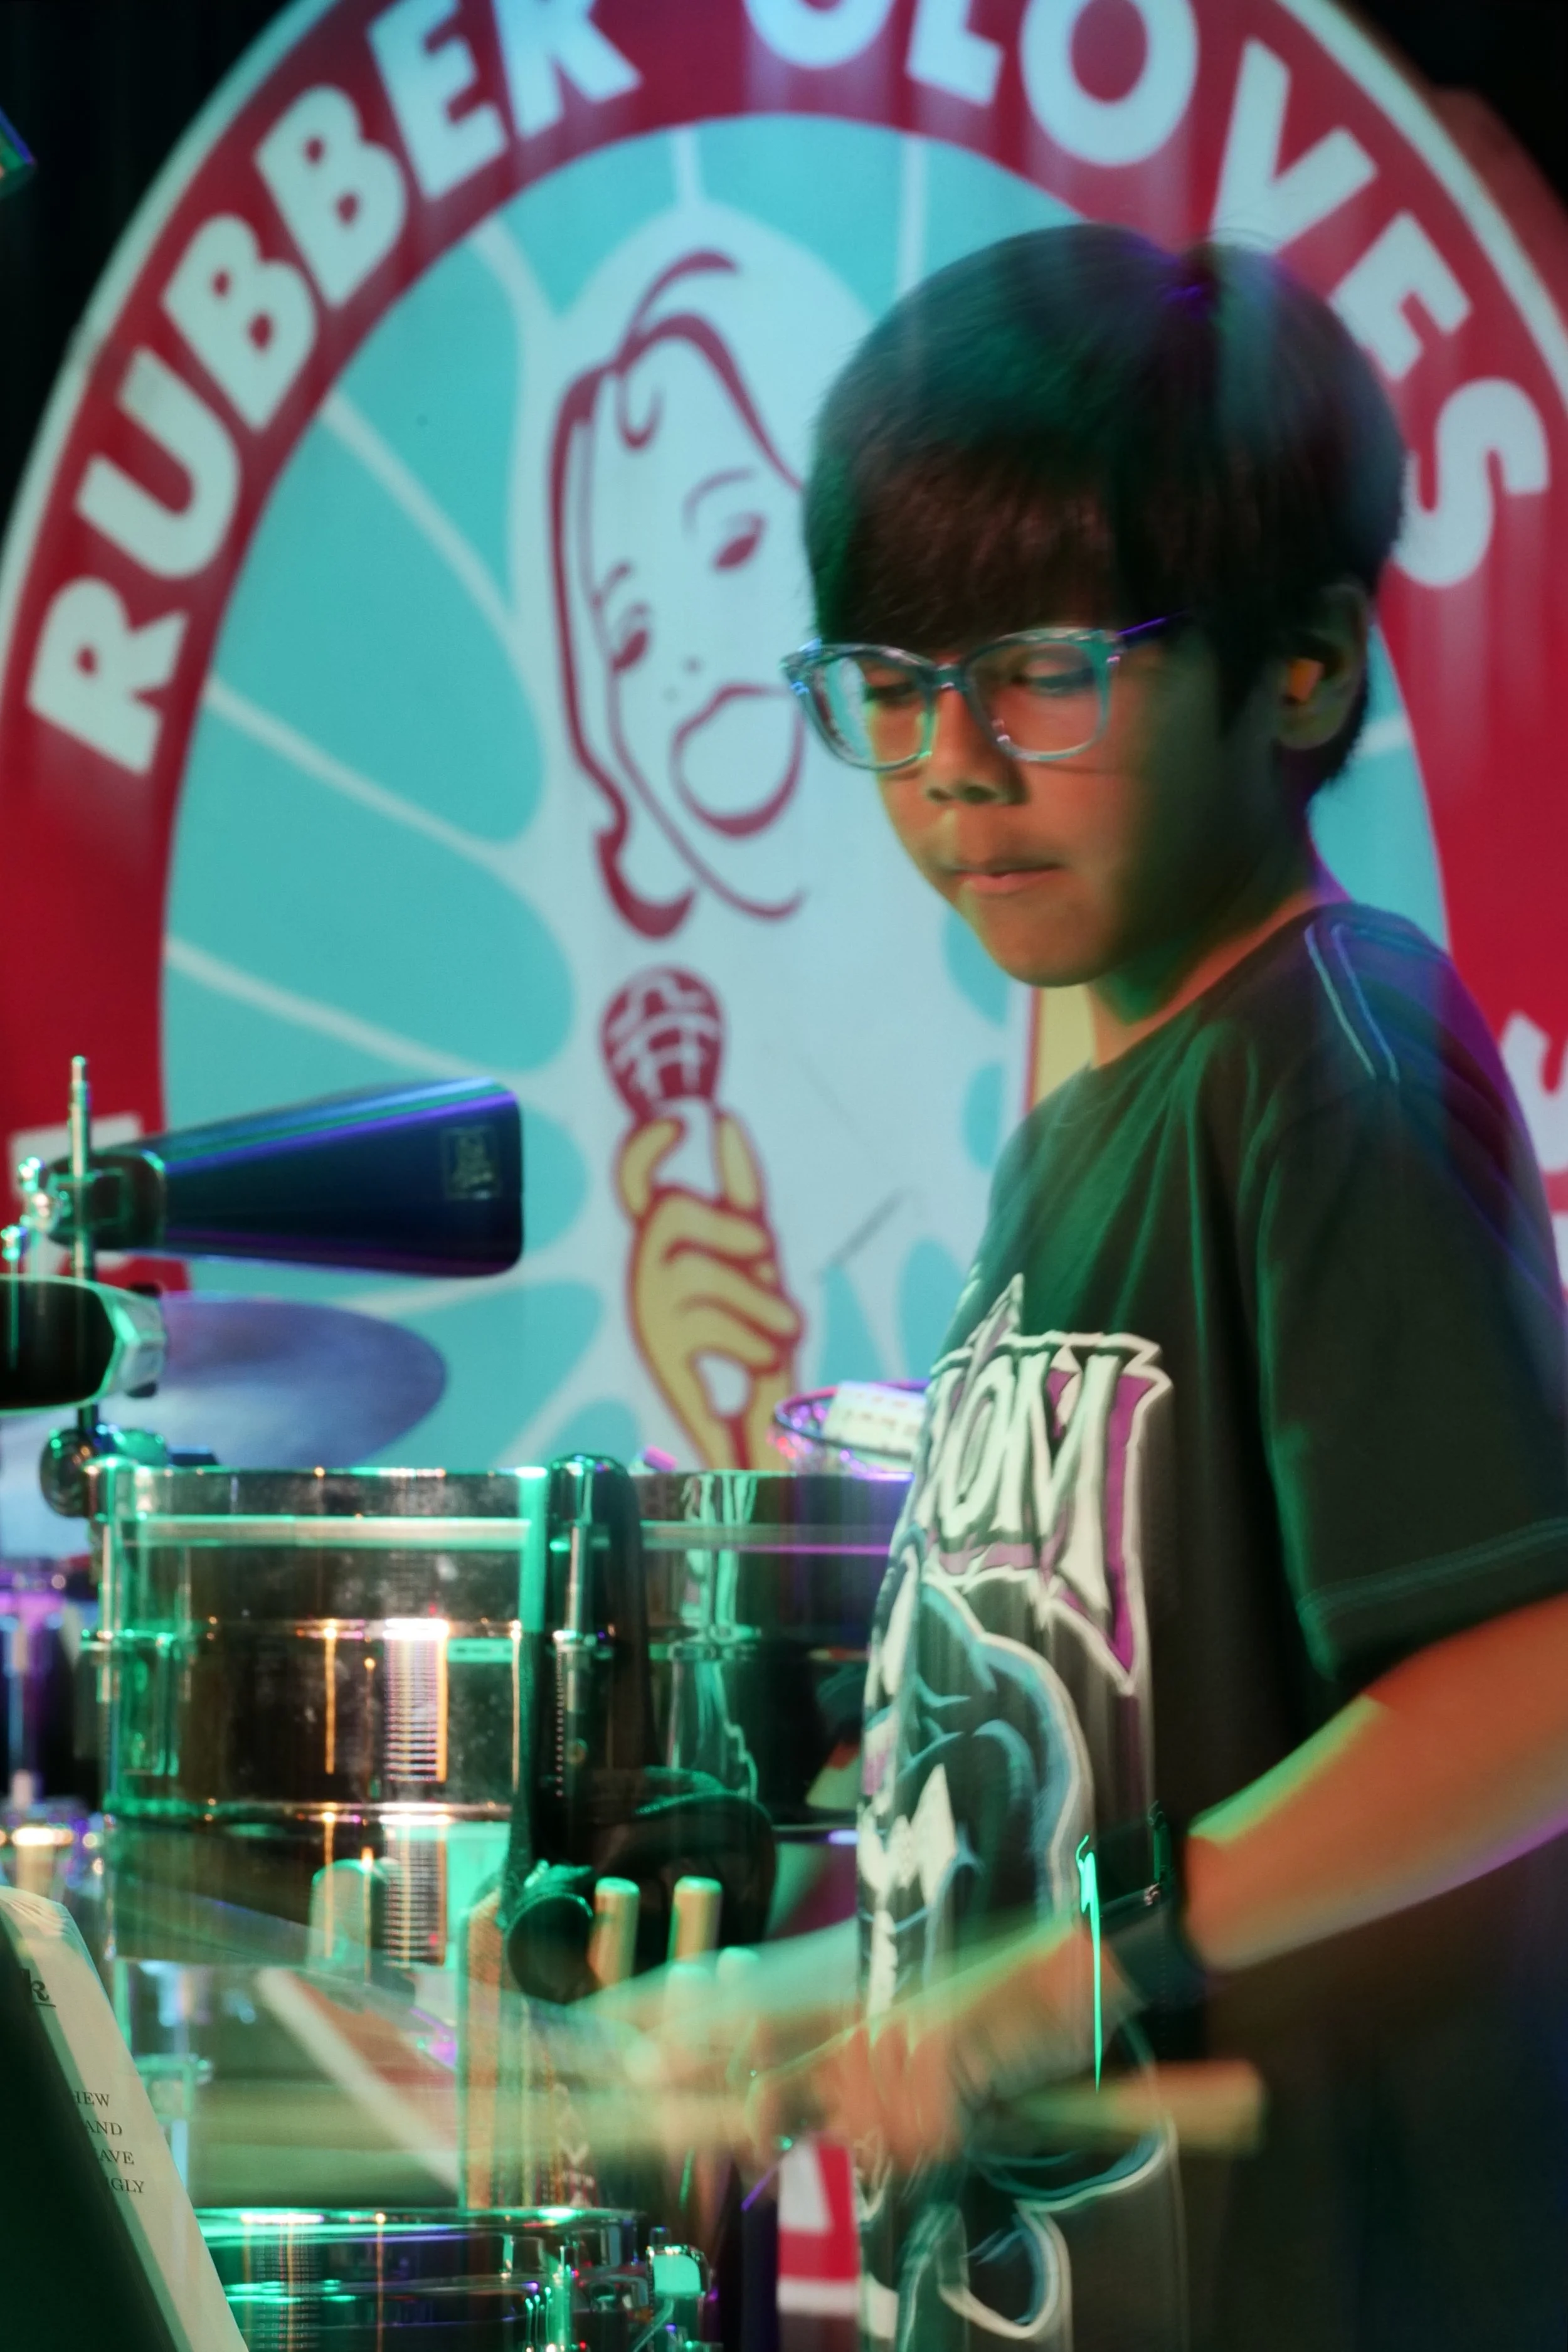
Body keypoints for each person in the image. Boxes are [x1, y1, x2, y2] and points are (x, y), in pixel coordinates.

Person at [606, 223, 1568, 2351]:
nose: (949, 759)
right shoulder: (1073, 1140)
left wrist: (1062, 1971)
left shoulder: (1334, 1069)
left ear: (1298, 666)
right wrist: (819, 1986)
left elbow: (1528, 1683)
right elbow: (1064, 1783)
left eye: (1041, 664)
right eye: (885, 684)